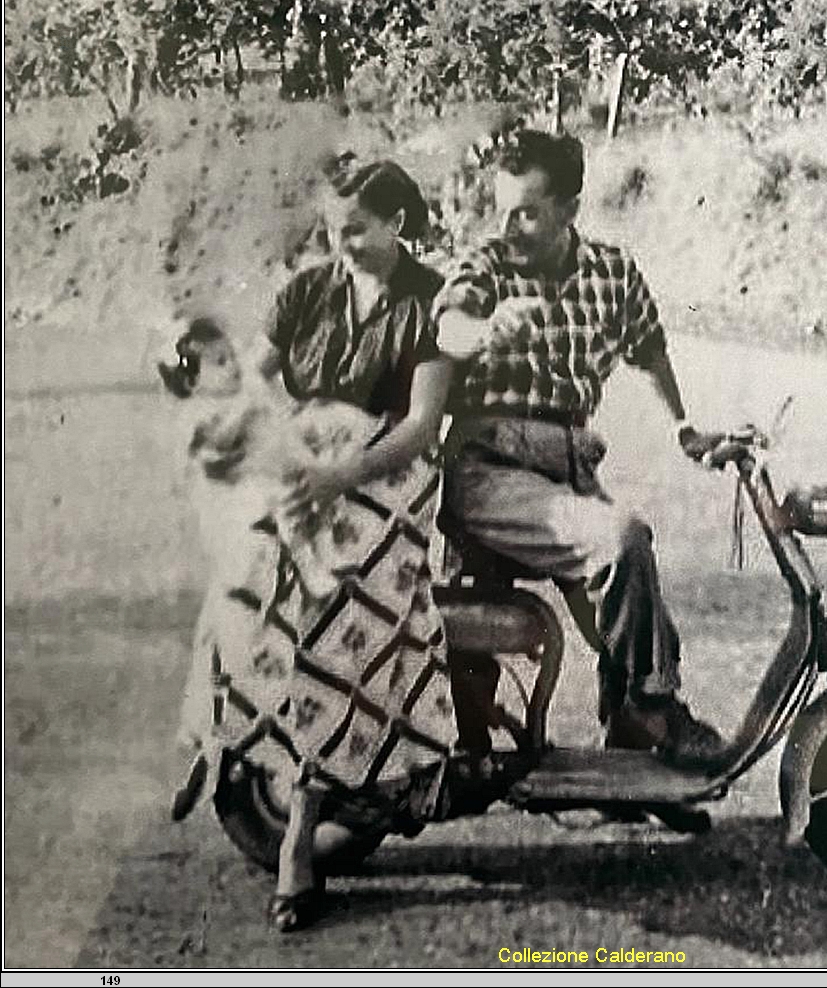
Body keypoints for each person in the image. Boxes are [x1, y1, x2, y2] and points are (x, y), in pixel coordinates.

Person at [178, 159, 458, 934]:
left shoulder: (429, 301)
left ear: (398, 222)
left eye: (357, 231)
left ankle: (301, 827)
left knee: (334, 607)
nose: (342, 246)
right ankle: (224, 737)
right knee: (249, 568)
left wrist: (340, 475)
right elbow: (254, 381)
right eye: (333, 232)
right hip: (310, 467)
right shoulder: (309, 290)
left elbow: (419, 427)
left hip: (385, 479)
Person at [430, 129, 725, 769]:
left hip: (568, 465)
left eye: (528, 211)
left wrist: (684, 426)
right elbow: (448, 325)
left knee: (628, 595)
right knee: (618, 541)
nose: (509, 225)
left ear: (570, 208)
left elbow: (651, 353)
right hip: (490, 466)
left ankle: (631, 749)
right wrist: (481, 331)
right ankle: (652, 710)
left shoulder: (612, 274)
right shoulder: (487, 266)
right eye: (502, 207)